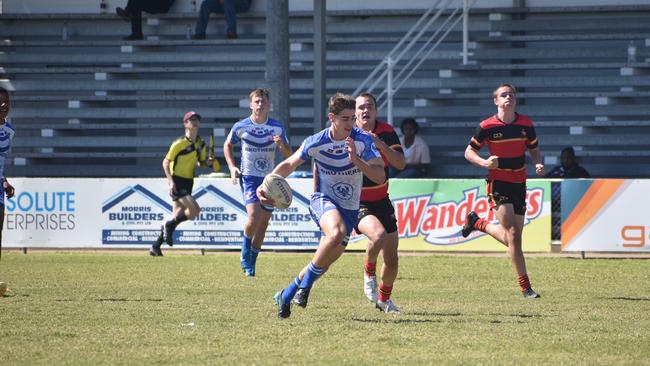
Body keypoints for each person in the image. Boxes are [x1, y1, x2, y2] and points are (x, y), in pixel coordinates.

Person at [261, 93, 385, 319]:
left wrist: (357, 161)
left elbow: (379, 175)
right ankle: (305, 288)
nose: (351, 123)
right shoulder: (316, 141)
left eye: (352, 118)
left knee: (325, 261)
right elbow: (289, 164)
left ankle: (285, 295)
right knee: (335, 232)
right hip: (323, 201)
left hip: (349, 209)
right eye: (345, 119)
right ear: (332, 118)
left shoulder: (363, 140)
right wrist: (265, 185)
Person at [461, 83, 544, 299]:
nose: (509, 98)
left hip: (519, 182)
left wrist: (537, 162)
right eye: (504, 95)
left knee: (512, 239)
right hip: (498, 182)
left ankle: (477, 223)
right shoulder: (487, 126)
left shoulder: (525, 124)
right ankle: (526, 288)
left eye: (512, 95)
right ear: (496, 101)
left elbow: (533, 147)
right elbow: (469, 151)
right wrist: (484, 163)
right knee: (514, 235)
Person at [223, 88, 292, 277]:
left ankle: (252, 262)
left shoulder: (277, 127)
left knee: (263, 223)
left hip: (269, 181)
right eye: (257, 101)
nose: (260, 104)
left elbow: (289, 156)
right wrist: (231, 167)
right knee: (254, 217)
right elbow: (228, 145)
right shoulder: (240, 126)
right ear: (251, 104)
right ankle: (245, 251)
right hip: (250, 178)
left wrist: (280, 145)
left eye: (263, 101)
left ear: (269, 105)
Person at [354, 92, 406, 313]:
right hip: (357, 201)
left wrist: (381, 144)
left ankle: (384, 299)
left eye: (370, 107)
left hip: (382, 199)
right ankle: (369, 272)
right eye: (361, 107)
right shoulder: (348, 132)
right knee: (378, 235)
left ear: (376, 110)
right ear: (355, 112)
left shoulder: (386, 132)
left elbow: (401, 164)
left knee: (392, 260)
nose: (366, 111)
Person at [150, 111, 214, 256]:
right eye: (191, 119)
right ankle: (169, 226)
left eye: (197, 119)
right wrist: (170, 182)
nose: (195, 121)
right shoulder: (179, 143)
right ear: (185, 123)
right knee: (195, 210)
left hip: (189, 180)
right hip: (177, 180)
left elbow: (201, 162)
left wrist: (209, 162)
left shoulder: (201, 143)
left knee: (177, 216)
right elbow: (165, 162)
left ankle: (155, 246)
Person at [0, 87, 17, 296]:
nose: (4, 105)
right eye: (0, 101)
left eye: (7, 102)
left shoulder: (9, 131)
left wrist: (4, 181)